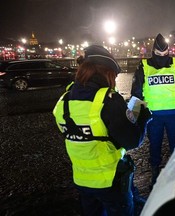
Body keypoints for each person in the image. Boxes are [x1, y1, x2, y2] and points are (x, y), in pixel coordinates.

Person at [53, 45, 151, 216]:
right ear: (107, 73)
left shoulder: (64, 99)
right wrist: (143, 118)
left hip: (81, 179)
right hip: (110, 181)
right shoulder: (109, 100)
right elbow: (132, 140)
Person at [130, 33, 175, 188]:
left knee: (156, 145)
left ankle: (155, 175)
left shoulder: (143, 66)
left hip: (155, 114)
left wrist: (136, 116)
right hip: (173, 114)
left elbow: (136, 92)